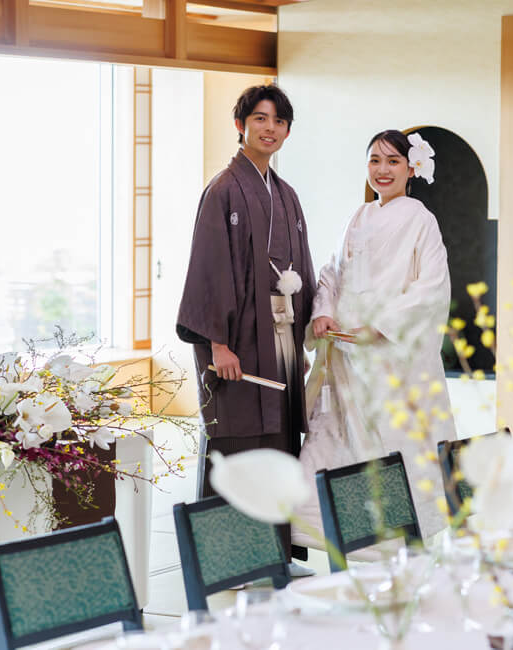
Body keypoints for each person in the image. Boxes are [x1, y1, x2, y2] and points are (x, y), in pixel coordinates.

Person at [292, 129, 456, 550]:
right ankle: (334, 536)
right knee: (339, 441)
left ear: (410, 169)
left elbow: (431, 288)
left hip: (392, 360)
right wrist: (324, 311)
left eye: (392, 162)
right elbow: (332, 272)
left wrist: (380, 326)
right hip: (349, 358)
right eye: (374, 161)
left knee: (391, 443)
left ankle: (396, 540)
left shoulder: (421, 219)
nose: (382, 170)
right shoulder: (359, 217)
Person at [176, 84, 316, 567]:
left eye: (278, 121)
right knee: (236, 442)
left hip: (279, 341)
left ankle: (272, 554)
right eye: (260, 119)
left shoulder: (287, 195)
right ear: (241, 125)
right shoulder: (223, 190)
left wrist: (303, 339)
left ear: (287, 131)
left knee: (278, 440)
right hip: (237, 345)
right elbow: (210, 270)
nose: (269, 128)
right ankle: (226, 558)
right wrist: (217, 344)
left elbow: (304, 268)